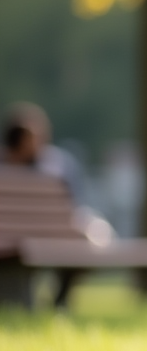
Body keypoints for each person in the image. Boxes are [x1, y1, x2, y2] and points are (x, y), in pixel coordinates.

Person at [2, 102, 89, 308]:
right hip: (40, 241)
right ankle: (59, 305)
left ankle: (56, 304)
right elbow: (74, 204)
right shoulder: (56, 168)